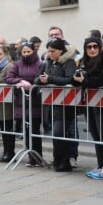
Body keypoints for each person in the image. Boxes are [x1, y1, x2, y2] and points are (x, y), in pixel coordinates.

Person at [73, 37, 103, 179]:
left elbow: (102, 80)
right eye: (89, 47)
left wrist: (84, 81)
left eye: (95, 47)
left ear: (99, 48)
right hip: (89, 104)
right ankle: (100, 165)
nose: (92, 49)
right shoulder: (84, 62)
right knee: (96, 135)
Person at [35, 38, 77, 172]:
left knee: (59, 133)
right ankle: (57, 160)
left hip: (64, 104)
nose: (50, 54)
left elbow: (69, 79)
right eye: (48, 51)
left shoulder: (69, 62)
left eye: (53, 51)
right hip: (50, 103)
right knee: (55, 134)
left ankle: (64, 162)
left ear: (60, 50)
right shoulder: (48, 62)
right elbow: (37, 78)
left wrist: (50, 79)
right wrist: (41, 80)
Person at [5, 41, 43, 167]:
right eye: (24, 52)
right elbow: (9, 78)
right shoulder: (17, 64)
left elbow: (40, 78)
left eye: (29, 52)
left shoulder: (40, 64)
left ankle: (37, 157)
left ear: (33, 51)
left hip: (35, 102)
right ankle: (30, 156)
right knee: (26, 131)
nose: (26, 54)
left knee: (35, 130)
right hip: (21, 102)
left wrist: (33, 84)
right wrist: (19, 81)